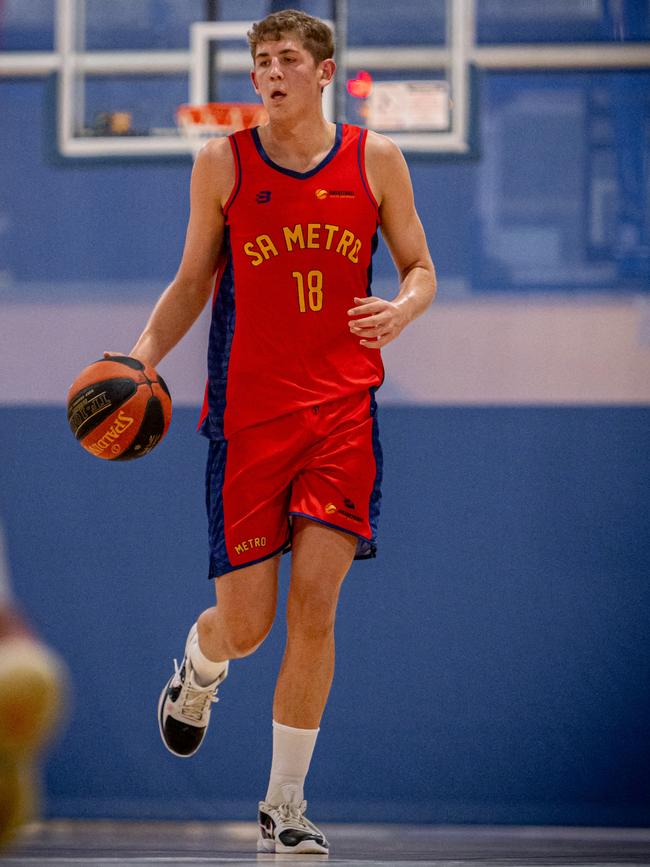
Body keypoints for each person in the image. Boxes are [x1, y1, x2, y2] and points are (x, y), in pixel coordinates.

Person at [120, 9, 435, 856]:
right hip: (249, 421)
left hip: (340, 415)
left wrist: (401, 309)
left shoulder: (375, 159)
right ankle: (199, 665)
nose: (270, 73)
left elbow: (420, 265)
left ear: (323, 71)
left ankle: (283, 806)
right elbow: (192, 281)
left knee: (317, 607)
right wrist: (140, 359)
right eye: (260, 61)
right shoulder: (223, 162)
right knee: (249, 626)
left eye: (287, 59)